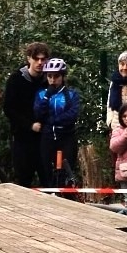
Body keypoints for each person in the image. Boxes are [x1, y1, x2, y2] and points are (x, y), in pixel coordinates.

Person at [2, 41, 50, 187]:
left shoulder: (50, 79)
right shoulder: (16, 79)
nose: (40, 63)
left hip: (45, 138)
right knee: (23, 180)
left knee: (49, 180)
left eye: (43, 59)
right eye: (36, 59)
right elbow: (9, 108)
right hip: (22, 139)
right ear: (29, 58)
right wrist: (29, 125)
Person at [33, 58, 81, 189]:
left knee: (67, 172)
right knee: (46, 172)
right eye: (50, 76)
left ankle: (67, 195)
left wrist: (51, 121)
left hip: (66, 136)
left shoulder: (71, 94)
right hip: (48, 136)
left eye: (56, 76)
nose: (53, 79)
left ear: (63, 76)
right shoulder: (41, 94)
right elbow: (38, 114)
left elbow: (72, 115)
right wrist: (47, 96)